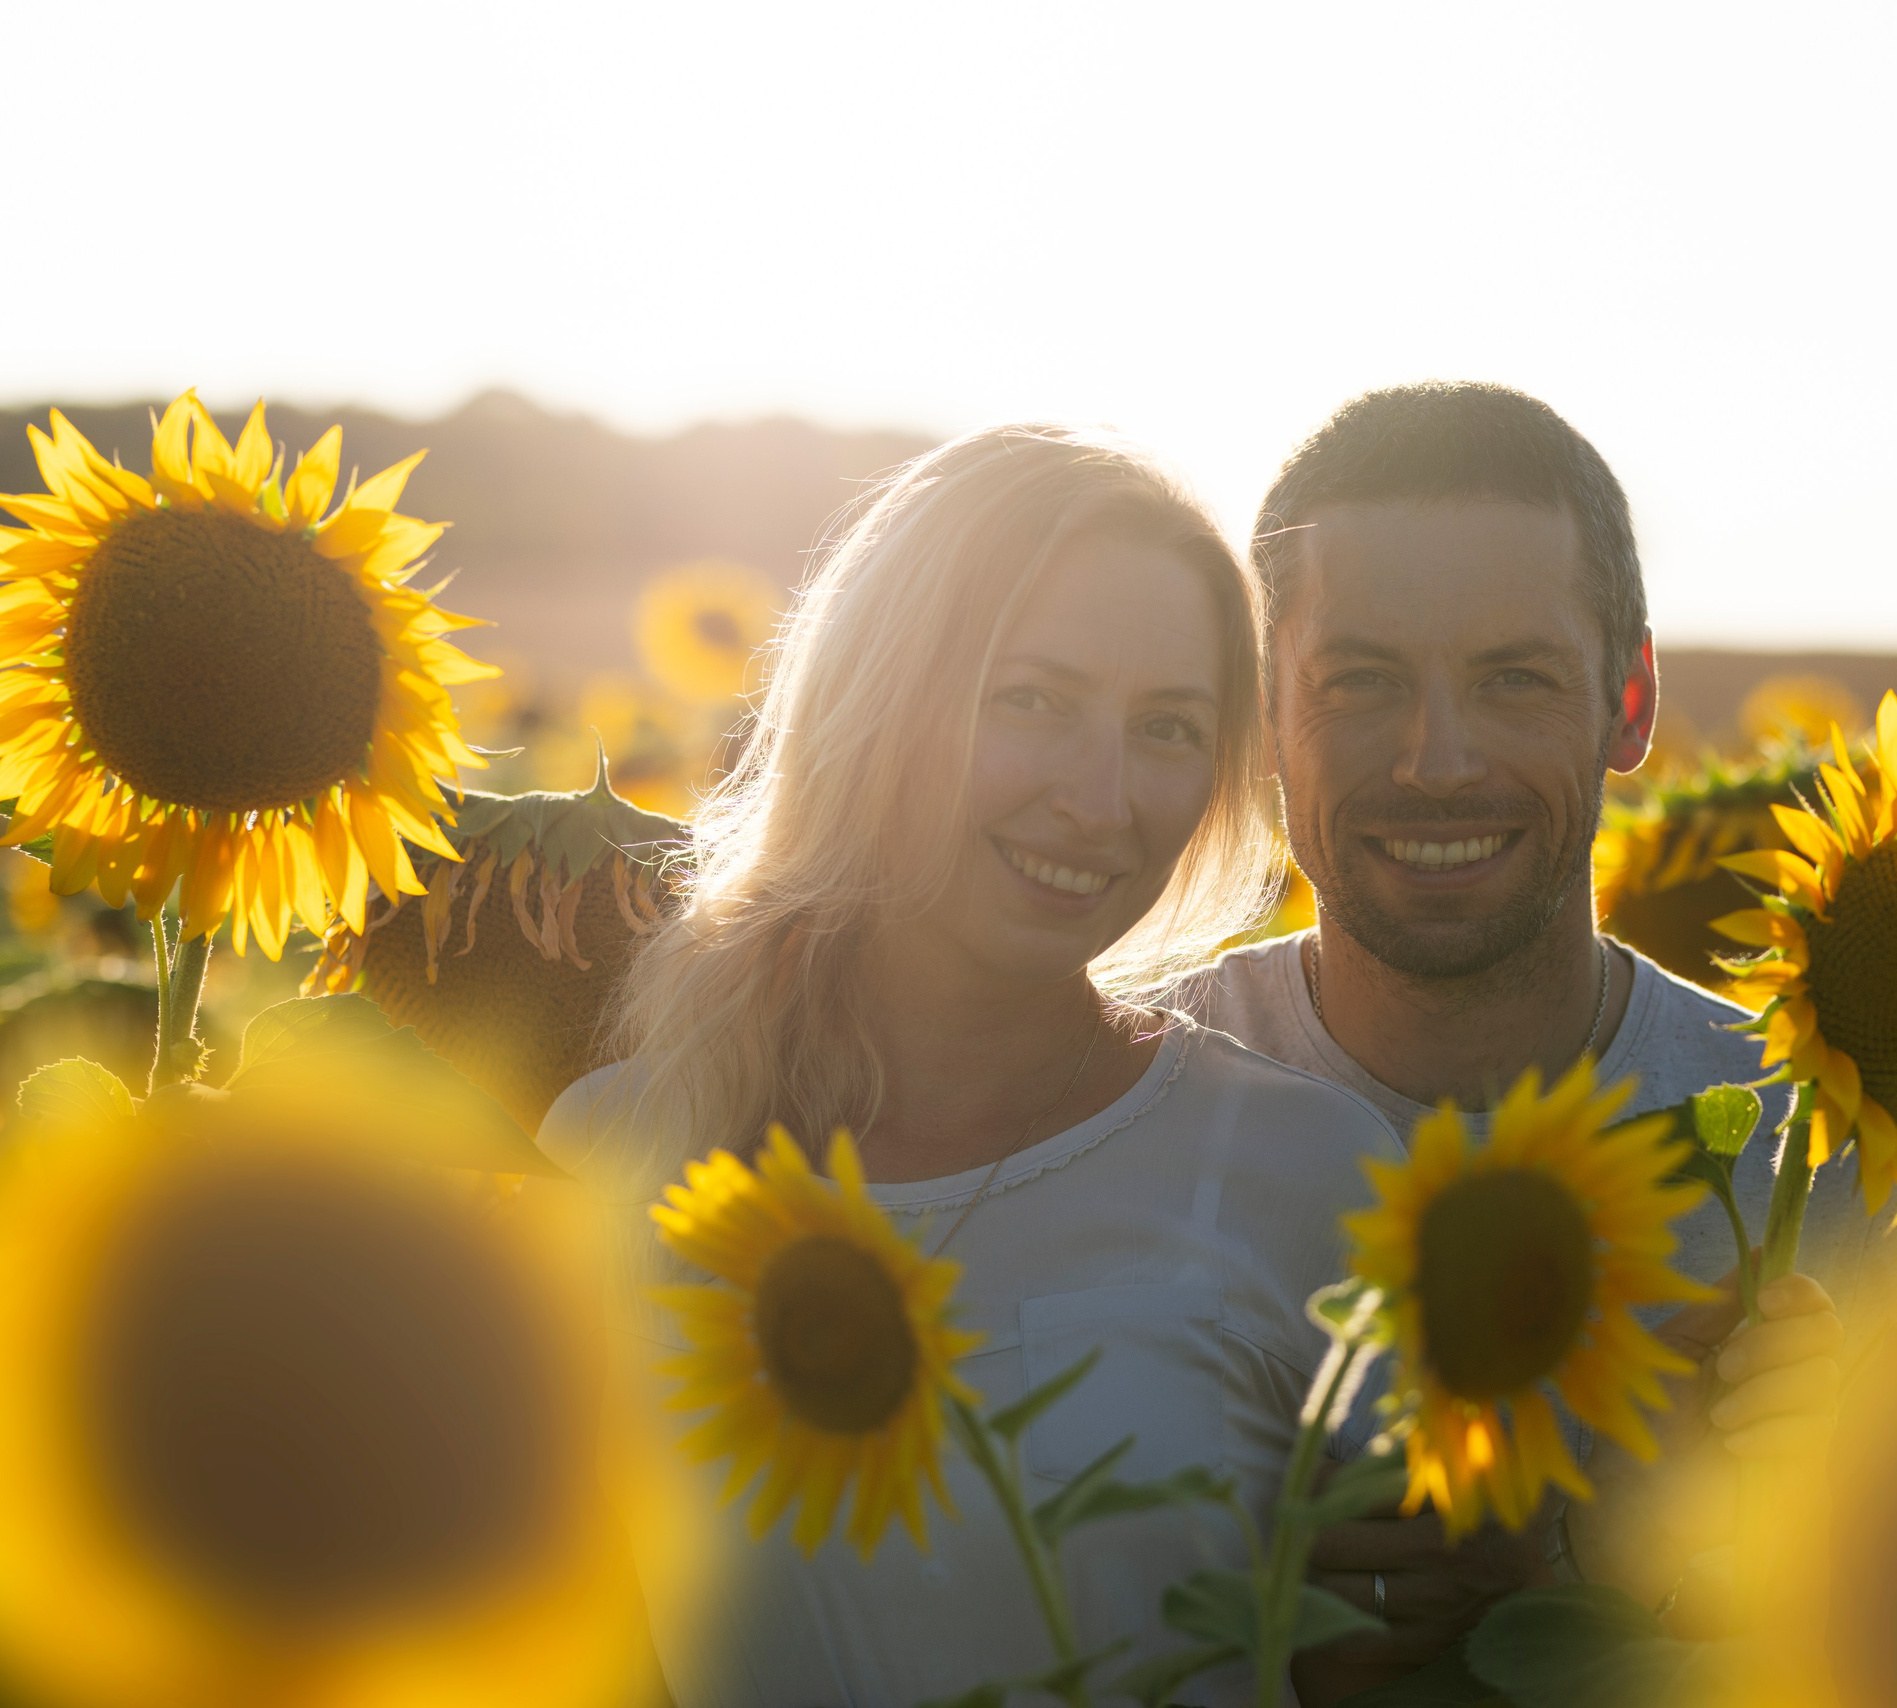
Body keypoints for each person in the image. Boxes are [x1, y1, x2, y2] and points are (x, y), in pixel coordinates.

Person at [537, 424, 1403, 1706]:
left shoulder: (1306, 1172)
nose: (1101, 799)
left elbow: (1402, 1653)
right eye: (1031, 700)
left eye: (1168, 727)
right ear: (879, 694)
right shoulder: (612, 1159)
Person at [1171, 382, 1897, 1698]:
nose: (1437, 761)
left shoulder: (1825, 1165)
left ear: (1630, 702)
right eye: (1359, 680)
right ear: (1266, 711)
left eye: (1513, 679)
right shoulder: (1121, 1103)